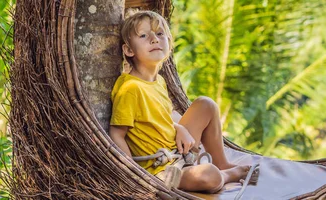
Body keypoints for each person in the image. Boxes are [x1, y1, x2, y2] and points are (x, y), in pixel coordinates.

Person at [109, 11, 257, 193]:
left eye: (160, 34)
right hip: (160, 170)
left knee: (206, 104)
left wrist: (181, 128)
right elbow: (117, 134)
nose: (154, 39)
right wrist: (134, 175)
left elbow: (159, 118)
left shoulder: (159, 81)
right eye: (143, 35)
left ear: (169, 44)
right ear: (129, 50)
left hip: (178, 150)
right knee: (209, 176)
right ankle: (226, 175)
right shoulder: (130, 88)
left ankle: (222, 164)